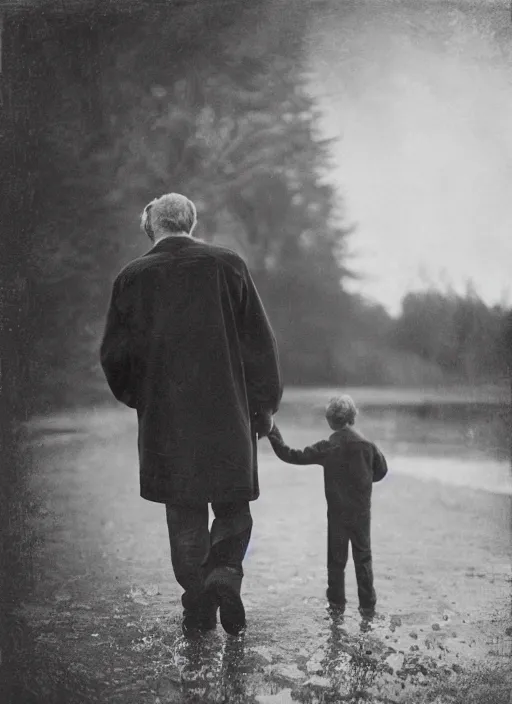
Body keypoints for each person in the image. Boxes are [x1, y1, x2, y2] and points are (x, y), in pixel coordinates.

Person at [100, 193, 282, 636]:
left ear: (152, 227)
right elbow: (260, 344)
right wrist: (264, 407)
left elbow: (114, 358)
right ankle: (225, 574)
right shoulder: (228, 265)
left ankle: (198, 603)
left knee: (184, 513)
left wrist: (144, 398)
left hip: (167, 420)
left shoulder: (131, 278)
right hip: (229, 412)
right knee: (232, 504)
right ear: (191, 222)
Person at [267, 394, 387, 616]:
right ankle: (368, 607)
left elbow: (290, 455)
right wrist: (362, 480)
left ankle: (336, 607)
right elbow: (381, 471)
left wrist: (272, 431)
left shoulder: (328, 446)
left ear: (331, 421)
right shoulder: (368, 446)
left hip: (337, 514)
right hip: (361, 513)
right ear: (353, 417)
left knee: (336, 562)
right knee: (363, 559)